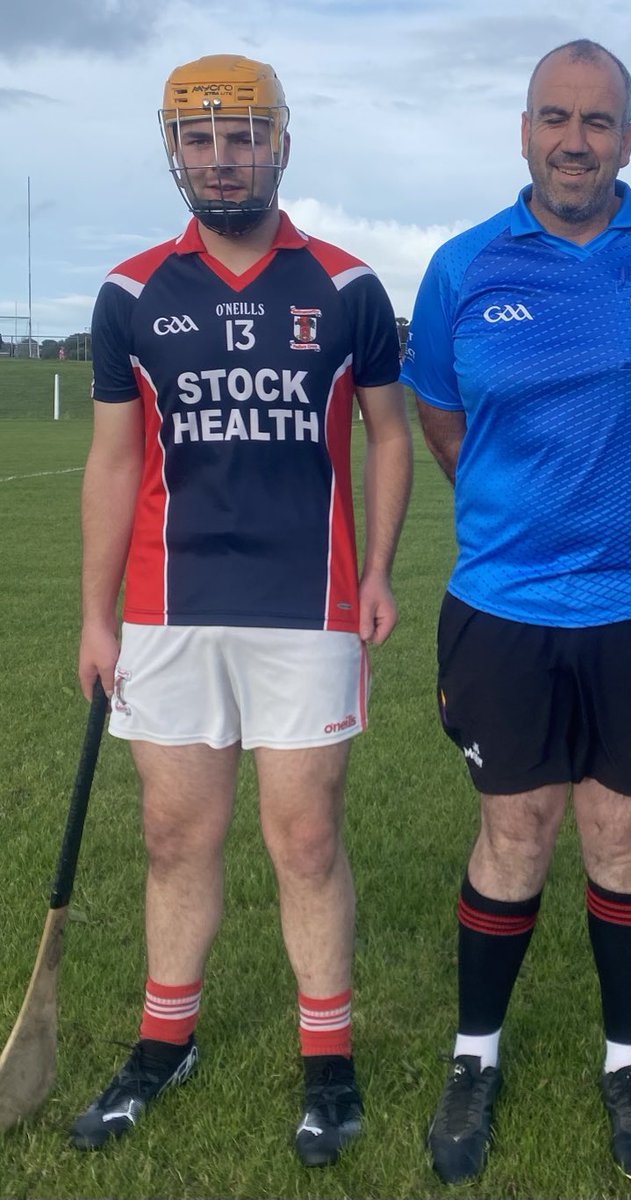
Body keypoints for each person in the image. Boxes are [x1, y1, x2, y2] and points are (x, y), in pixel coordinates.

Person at [400, 38, 631, 1186]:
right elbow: (443, 423)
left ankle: (626, 1062)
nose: (574, 140)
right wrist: (525, 518)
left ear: (628, 141)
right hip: (502, 607)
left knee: (623, 835)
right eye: (555, 117)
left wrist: (629, 520)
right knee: (514, 833)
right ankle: (474, 1056)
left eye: (598, 121)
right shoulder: (460, 267)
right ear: (524, 131)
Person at [72, 54, 412, 1167]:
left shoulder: (347, 287)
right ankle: (165, 1041)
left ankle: (328, 1062)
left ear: (280, 143)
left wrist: (375, 573)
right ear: (174, 150)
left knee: (304, 838)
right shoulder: (130, 293)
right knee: (176, 835)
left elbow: (390, 433)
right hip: (168, 606)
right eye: (200, 139)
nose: (223, 159)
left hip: (304, 607)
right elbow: (115, 460)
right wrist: (93, 613)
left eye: (243, 135)